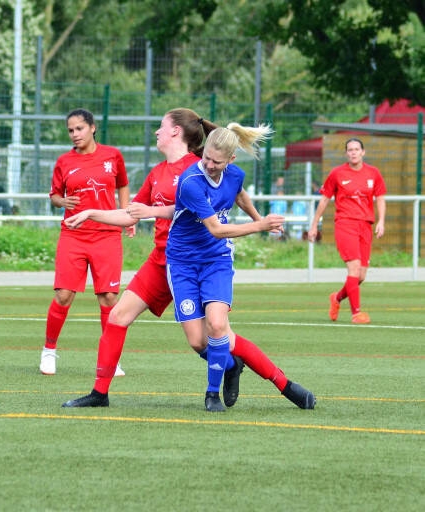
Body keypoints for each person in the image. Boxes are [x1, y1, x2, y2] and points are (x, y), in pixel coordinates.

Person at [61, 109, 315, 412]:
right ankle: (99, 393)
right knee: (118, 317)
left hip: (200, 259)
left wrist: (259, 221)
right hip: (166, 260)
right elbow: (132, 213)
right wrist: (92, 213)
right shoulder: (159, 172)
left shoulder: (201, 167)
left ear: (175, 132)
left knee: (217, 335)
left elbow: (230, 196)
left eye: (161, 126)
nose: (156, 132)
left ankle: (276, 381)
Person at [165, 122, 317, 412]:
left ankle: (214, 395)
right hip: (183, 263)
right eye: (206, 158)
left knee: (217, 325)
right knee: (198, 341)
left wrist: (259, 218)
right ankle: (231, 365)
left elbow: (238, 194)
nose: (209, 165)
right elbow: (216, 229)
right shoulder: (190, 182)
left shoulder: (234, 175)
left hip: (216, 260)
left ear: (231, 160)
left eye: (216, 161)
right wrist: (260, 225)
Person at [40, 108, 132, 376]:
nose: (74, 134)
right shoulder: (64, 161)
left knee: (109, 297)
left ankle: (110, 359)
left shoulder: (112, 155)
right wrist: (62, 201)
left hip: (107, 235)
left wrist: (127, 215)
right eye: (70, 130)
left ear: (92, 127)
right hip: (74, 235)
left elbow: (122, 185)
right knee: (64, 294)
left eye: (79, 128)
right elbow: (54, 196)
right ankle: (49, 351)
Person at [307, 138, 386, 324]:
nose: (353, 152)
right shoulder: (337, 173)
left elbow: (381, 197)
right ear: (346, 154)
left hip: (365, 226)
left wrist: (381, 221)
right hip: (345, 224)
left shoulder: (373, 173)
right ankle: (356, 314)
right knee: (354, 268)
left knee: (361, 276)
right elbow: (324, 199)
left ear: (363, 152)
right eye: (350, 150)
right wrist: (314, 225)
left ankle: (336, 298)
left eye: (356, 149)